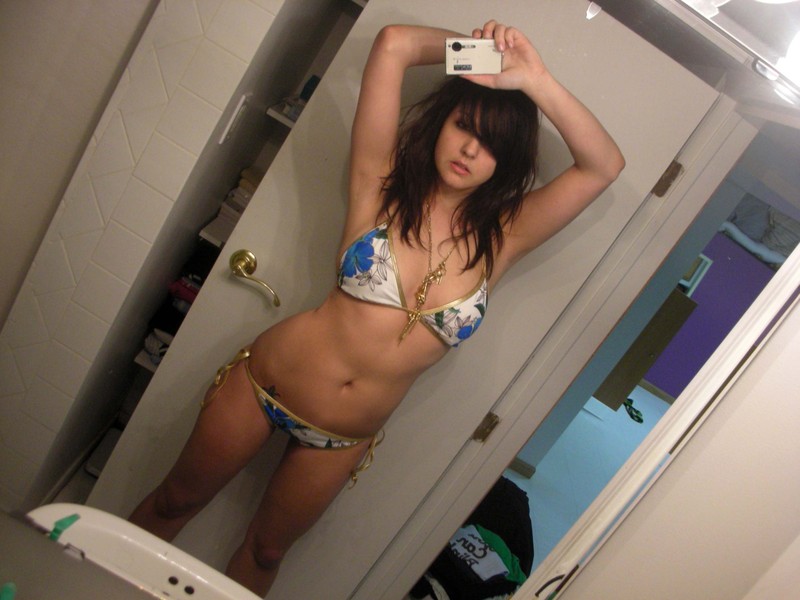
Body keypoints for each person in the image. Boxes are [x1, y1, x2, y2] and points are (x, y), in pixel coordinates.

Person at [129, 20, 624, 597]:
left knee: (265, 553)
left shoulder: (506, 236)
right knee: (175, 501)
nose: (470, 149)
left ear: (505, 162)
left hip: (343, 437)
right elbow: (394, 44)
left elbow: (603, 166)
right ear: (442, 122)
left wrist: (533, 79)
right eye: (464, 126)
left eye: (491, 144)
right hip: (266, 384)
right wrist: (484, 56)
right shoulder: (380, 182)